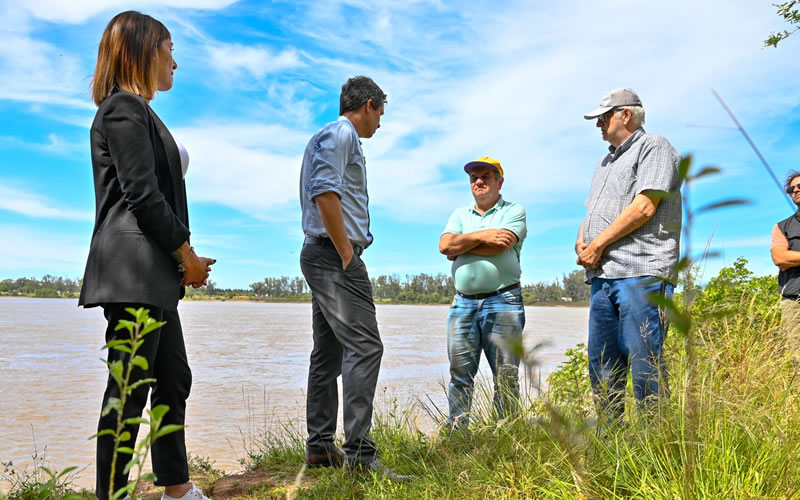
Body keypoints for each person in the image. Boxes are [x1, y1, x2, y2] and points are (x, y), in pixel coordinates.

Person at [79, 11, 215, 500]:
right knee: (129, 391)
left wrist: (182, 261)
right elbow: (141, 194)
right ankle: (111, 496)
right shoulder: (121, 109)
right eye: (169, 48)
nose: (174, 62)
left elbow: (154, 194)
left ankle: (176, 489)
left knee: (173, 379)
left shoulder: (142, 112)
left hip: (154, 273)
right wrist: (187, 254)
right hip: (132, 271)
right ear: (143, 49)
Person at [298, 76, 410, 481]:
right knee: (366, 347)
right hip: (334, 255)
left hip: (324, 253)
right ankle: (360, 454)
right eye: (380, 114)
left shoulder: (330, 136)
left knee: (328, 353)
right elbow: (325, 194)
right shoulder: (342, 133)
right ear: (368, 105)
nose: (380, 123)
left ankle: (321, 447)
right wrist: (348, 254)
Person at [577, 88, 682, 421]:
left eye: (604, 117)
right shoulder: (604, 161)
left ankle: (656, 441)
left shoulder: (655, 146)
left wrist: (596, 245)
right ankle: (612, 441)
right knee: (602, 363)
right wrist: (582, 241)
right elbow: (591, 210)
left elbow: (645, 206)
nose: (599, 125)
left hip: (640, 271)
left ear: (626, 115)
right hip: (603, 276)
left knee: (644, 359)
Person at [439, 157, 527, 429]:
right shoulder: (459, 214)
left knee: (506, 375)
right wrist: (482, 236)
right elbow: (444, 245)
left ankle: (505, 433)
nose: (479, 181)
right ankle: (457, 432)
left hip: (503, 301)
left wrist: (461, 245)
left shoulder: (514, 211)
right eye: (474, 178)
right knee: (460, 374)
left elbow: (501, 245)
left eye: (486, 176)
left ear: (500, 181)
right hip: (462, 304)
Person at [770, 171, 800, 358]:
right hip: (794, 301)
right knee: (797, 356)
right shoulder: (782, 227)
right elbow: (780, 258)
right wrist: (787, 258)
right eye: (792, 188)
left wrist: (793, 257)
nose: (796, 190)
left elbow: (788, 258)